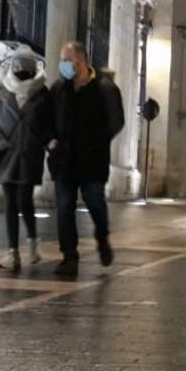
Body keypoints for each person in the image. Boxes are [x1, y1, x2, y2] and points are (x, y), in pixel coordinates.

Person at [48, 42, 125, 276]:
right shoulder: (59, 89)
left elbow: (116, 122)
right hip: (64, 161)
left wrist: (96, 142)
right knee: (64, 208)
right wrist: (50, 140)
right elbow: (48, 118)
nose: (62, 64)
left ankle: (102, 238)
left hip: (92, 160)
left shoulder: (105, 88)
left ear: (79, 62)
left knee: (95, 204)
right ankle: (69, 257)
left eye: (66, 59)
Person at [0, 47, 53, 271]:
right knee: (10, 203)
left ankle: (32, 244)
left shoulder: (43, 94)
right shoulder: (2, 90)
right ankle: (13, 251)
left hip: (29, 155)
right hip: (6, 154)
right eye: (18, 65)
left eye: (25, 66)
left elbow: (49, 125)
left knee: (25, 200)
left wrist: (45, 141)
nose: (21, 69)